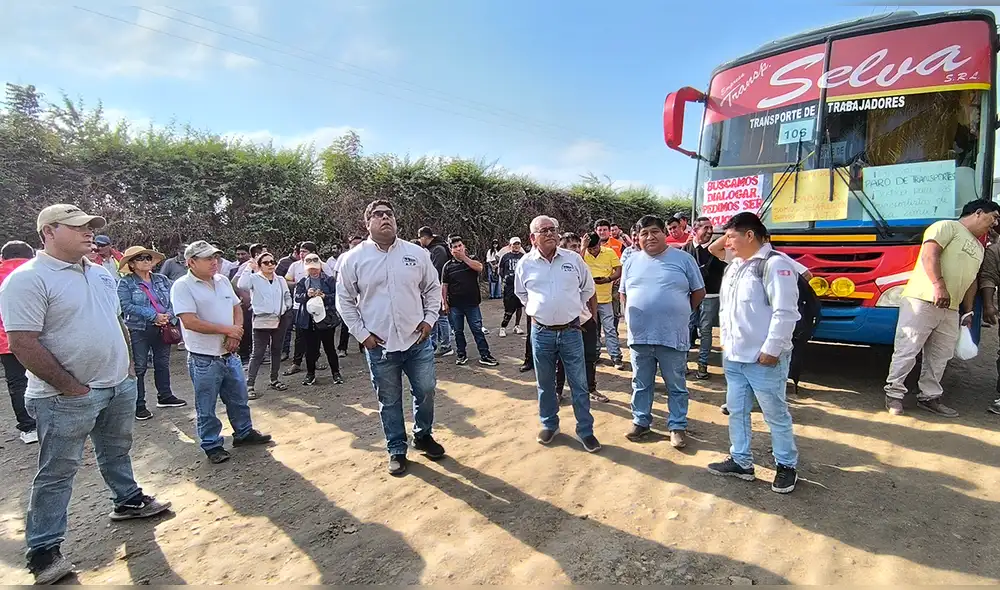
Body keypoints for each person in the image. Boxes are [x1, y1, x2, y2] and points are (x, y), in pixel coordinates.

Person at [0, 204, 171, 584]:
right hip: (64, 397)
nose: (89, 232)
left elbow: (114, 321)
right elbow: (22, 343)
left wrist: (126, 367)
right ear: (49, 231)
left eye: (91, 226)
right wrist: (69, 386)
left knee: (117, 449)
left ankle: (127, 501)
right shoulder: (28, 279)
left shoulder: (100, 273)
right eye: (78, 226)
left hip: (116, 383)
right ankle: (43, 551)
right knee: (58, 471)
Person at [337, 200, 445, 476]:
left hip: (416, 341)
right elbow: (344, 301)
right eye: (378, 215)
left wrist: (429, 320)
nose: (385, 218)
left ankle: (423, 436)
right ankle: (397, 448)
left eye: (390, 214)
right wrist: (362, 335)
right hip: (380, 346)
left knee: (426, 390)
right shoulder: (353, 259)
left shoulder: (416, 253)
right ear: (367, 223)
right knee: (390, 400)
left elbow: (432, 288)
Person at [707, 212, 801, 494]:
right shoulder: (736, 264)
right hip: (735, 356)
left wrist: (772, 350)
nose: (726, 242)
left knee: (775, 414)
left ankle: (786, 466)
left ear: (750, 236)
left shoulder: (775, 265)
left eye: (731, 236)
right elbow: (715, 249)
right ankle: (741, 461)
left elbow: (786, 313)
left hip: (763, 359)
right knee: (736, 411)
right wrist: (731, 230)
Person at [884, 198, 1000, 417]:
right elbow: (931, 254)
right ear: (978, 212)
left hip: (951, 308)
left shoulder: (978, 246)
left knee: (940, 356)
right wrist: (939, 286)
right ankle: (894, 394)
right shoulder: (946, 226)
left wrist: (967, 311)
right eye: (993, 217)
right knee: (908, 349)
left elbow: (971, 280)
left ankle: (929, 397)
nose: (994, 224)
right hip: (923, 299)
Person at [170, 240, 272, 465]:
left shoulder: (222, 280)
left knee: (239, 398)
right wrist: (229, 330)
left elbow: (236, 307)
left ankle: (243, 433)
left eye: (214, 257)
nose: (214, 262)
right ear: (191, 262)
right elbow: (189, 321)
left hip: (229, 353)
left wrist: (235, 334)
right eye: (207, 258)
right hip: (203, 357)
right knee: (206, 405)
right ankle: (212, 444)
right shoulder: (182, 286)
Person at [515, 215, 601, 453]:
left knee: (579, 384)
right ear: (533, 238)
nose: (551, 233)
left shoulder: (573, 259)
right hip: (541, 333)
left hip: (572, 331)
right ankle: (549, 424)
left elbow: (587, 288)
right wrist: (541, 311)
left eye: (553, 229)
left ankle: (585, 431)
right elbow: (522, 294)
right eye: (544, 230)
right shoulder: (525, 263)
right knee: (545, 383)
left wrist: (571, 307)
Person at [621, 215, 705, 449]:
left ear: (663, 233)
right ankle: (641, 421)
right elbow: (624, 292)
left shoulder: (683, 259)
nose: (650, 237)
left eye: (655, 231)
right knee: (641, 382)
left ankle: (677, 425)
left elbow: (698, 292)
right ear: (637, 237)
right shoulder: (631, 261)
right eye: (644, 233)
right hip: (640, 336)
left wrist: (680, 312)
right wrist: (629, 316)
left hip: (672, 335)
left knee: (675, 384)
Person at [117, 246, 187, 419]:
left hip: (162, 326)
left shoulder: (161, 279)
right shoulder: (126, 283)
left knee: (162, 363)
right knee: (139, 366)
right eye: (141, 258)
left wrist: (168, 316)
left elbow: (174, 299)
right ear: (132, 264)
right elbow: (125, 305)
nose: (146, 261)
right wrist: (153, 315)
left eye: (148, 258)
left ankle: (165, 396)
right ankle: (139, 404)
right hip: (139, 329)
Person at [237, 251, 294, 398]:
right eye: (266, 262)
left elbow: (287, 295)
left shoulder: (280, 279)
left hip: (279, 319)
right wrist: (249, 267)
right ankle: (249, 385)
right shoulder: (254, 278)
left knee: (276, 350)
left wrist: (287, 306)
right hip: (261, 320)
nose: (270, 265)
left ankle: (274, 379)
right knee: (258, 353)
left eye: (272, 262)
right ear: (260, 265)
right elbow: (241, 284)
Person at [554, 232, 602, 403]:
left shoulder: (582, 266)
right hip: (565, 322)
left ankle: (591, 389)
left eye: (577, 245)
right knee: (561, 358)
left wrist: (593, 317)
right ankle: (557, 391)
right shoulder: (556, 269)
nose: (577, 249)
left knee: (590, 356)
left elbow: (592, 293)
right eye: (572, 246)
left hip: (585, 319)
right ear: (562, 249)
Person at [441, 235, 499, 367]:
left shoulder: (471, 260)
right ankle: (461, 354)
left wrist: (464, 258)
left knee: (477, 329)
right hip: (455, 305)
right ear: (451, 250)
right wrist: (444, 302)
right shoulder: (448, 266)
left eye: (460, 245)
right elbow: (444, 285)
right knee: (458, 331)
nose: (458, 248)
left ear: (464, 247)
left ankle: (485, 355)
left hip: (472, 304)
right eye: (455, 247)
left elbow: (479, 268)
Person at [0, 240, 36, 444]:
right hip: (41, 337)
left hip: (7, 340)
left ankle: (29, 428)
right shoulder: (39, 271)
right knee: (48, 377)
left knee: (17, 382)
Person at [684, 216, 727, 380]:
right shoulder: (685, 249)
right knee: (687, 327)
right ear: (695, 230)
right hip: (689, 295)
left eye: (711, 228)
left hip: (711, 295)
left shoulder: (718, 250)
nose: (710, 231)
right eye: (706, 228)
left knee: (706, 330)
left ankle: (703, 365)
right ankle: (683, 362)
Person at [283, 241, 334, 375]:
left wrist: (322, 294)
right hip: (300, 307)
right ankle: (297, 362)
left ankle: (315, 360)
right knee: (300, 336)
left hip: (321, 309)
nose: (301, 254)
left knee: (319, 336)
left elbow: (332, 283)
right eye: (300, 251)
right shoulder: (295, 266)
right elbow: (287, 280)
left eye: (305, 251)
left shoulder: (323, 266)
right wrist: (304, 290)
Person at [294, 254, 344, 386]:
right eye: (310, 269)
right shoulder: (302, 282)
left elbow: (337, 296)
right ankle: (310, 374)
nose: (313, 271)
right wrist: (306, 294)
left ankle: (336, 373)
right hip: (309, 320)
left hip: (326, 319)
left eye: (315, 268)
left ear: (320, 266)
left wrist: (325, 296)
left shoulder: (329, 280)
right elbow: (297, 298)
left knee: (329, 347)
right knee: (310, 349)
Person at [584, 231, 625, 370]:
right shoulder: (582, 253)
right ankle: (594, 354)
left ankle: (615, 356)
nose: (592, 251)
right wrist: (584, 248)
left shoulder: (609, 252)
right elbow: (576, 263)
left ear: (599, 244)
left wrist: (608, 279)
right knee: (592, 329)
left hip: (605, 298)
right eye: (590, 249)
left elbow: (618, 270)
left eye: (594, 248)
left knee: (610, 329)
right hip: (588, 300)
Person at [418, 226, 454, 358]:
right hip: (433, 287)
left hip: (437, 287)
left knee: (442, 316)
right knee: (435, 316)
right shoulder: (434, 248)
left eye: (420, 237)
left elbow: (436, 271)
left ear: (424, 237)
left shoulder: (437, 250)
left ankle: (446, 345)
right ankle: (435, 344)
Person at [336, 235, 366, 356]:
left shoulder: (366, 256)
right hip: (348, 293)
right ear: (349, 245)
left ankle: (363, 346)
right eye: (354, 243)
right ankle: (342, 348)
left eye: (359, 243)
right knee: (346, 323)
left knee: (364, 321)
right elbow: (337, 276)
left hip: (362, 294)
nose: (357, 246)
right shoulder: (344, 257)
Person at [498, 237, 526, 337]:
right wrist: (506, 278)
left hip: (520, 285)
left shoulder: (524, 257)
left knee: (519, 307)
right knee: (509, 308)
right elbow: (500, 271)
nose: (516, 246)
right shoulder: (505, 256)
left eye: (518, 244)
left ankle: (517, 326)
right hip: (509, 286)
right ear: (510, 246)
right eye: (514, 244)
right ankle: (503, 327)